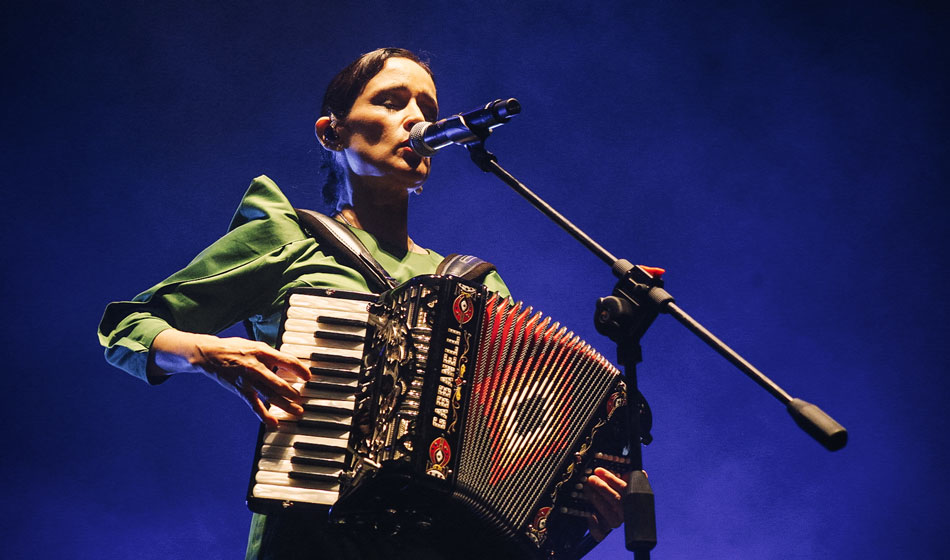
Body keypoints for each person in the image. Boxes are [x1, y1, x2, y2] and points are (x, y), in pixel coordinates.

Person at [98, 47, 627, 559]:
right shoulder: (289, 239)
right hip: (314, 540)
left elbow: (505, 469)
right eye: (393, 101)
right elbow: (128, 328)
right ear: (333, 132)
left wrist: (573, 517)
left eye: (428, 109)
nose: (416, 118)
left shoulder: (479, 290)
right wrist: (208, 354)